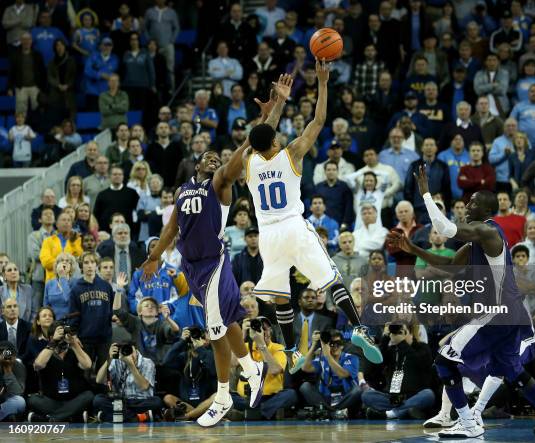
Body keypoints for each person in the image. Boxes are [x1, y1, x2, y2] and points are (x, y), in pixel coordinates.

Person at [141, 78, 294, 428]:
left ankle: (227, 390)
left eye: (217, 158)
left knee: (213, 330)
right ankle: (248, 372)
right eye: (207, 157)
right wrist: (155, 256)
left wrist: (271, 115)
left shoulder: (220, 184)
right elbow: (171, 228)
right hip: (190, 266)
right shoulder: (182, 191)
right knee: (226, 324)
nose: (214, 159)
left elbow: (248, 148)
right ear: (196, 165)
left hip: (213, 263)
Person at [386, 165, 535, 437]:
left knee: (444, 360)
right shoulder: (479, 238)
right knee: (513, 372)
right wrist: (412, 248)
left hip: (496, 314)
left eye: (473, 202)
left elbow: (445, 227)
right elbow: (451, 263)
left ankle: (468, 423)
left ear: (486, 210)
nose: (466, 204)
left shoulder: (488, 232)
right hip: (509, 315)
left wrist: (426, 194)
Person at [244, 62, 381, 369]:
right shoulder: (290, 154)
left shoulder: (249, 162)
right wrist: (322, 83)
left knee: (280, 293)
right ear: (276, 142)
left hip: (268, 235)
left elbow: (261, 134)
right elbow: (318, 121)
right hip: (294, 227)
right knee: (331, 278)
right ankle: (358, 328)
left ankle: (291, 348)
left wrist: (275, 106)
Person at [363, 322, 435, 419]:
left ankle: (390, 414)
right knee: (366, 395)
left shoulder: (422, 348)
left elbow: (417, 362)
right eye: (395, 332)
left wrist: (403, 344)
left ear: (410, 333)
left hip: (414, 395)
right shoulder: (391, 350)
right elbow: (372, 367)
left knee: (428, 394)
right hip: (392, 398)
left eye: (400, 332)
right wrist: (385, 338)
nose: (397, 335)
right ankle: (403, 411)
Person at [232, 316, 298, 419]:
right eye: (259, 329)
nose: (262, 332)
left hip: (270, 398)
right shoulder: (244, 346)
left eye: (265, 329)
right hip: (246, 398)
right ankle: (262, 412)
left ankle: (252, 412)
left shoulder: (279, 348)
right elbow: (232, 363)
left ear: (270, 331)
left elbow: (274, 370)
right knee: (227, 395)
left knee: (291, 394)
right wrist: (242, 335)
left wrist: (261, 344)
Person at [28, 322, 94, 422]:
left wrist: (74, 343)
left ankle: (52, 418)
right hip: (52, 401)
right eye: (60, 338)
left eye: (64, 338)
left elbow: (87, 365)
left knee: (88, 395)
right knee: (33, 400)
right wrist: (54, 341)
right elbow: (38, 365)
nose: (62, 340)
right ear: (50, 338)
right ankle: (71, 416)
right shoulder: (46, 353)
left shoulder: (74, 351)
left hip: (74, 400)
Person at [68, 252, 121, 371]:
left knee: (103, 372)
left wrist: (114, 316)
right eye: (86, 262)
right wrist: (74, 334)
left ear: (96, 265)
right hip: (85, 338)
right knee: (85, 372)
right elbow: (73, 315)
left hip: (104, 337)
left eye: (92, 262)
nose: (90, 265)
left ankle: (103, 390)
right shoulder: (76, 288)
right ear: (81, 266)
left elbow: (113, 309)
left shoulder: (105, 286)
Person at [93, 341, 163, 422]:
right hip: (121, 402)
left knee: (156, 402)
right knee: (98, 399)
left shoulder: (147, 362)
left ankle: (108, 417)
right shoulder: (117, 361)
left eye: (130, 351)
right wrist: (109, 359)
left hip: (141, 402)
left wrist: (131, 365)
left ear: (136, 350)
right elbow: (99, 380)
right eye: (125, 351)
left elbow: (144, 386)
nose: (128, 354)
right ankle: (138, 418)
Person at [299, 329, 362, 418]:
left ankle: (328, 412)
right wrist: (314, 345)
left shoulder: (351, 358)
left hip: (345, 398)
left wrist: (327, 355)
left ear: (342, 346)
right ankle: (334, 413)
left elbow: (343, 374)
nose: (335, 346)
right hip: (326, 398)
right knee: (305, 387)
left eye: (338, 343)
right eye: (332, 343)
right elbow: (305, 367)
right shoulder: (322, 359)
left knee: (358, 390)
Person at [161, 327, 217, 421]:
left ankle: (188, 416)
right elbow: (166, 362)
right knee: (168, 398)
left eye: (201, 337)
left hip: (206, 402)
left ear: (207, 340)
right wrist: (181, 341)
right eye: (195, 338)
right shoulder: (185, 356)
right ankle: (199, 415)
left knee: (216, 396)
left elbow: (212, 369)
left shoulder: (211, 353)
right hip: (187, 404)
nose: (197, 340)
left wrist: (201, 349)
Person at [93, 166, 140, 234]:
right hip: (106, 232)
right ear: (110, 176)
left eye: (120, 174)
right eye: (115, 174)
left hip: (127, 232)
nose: (117, 176)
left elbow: (138, 211)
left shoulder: (132, 193)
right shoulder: (102, 194)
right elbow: (96, 214)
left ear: (123, 176)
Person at [42, 252, 77, 320]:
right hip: (53, 322)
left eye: (67, 261)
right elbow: (46, 307)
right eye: (61, 261)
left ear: (71, 266)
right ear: (56, 265)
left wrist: (63, 278)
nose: (64, 263)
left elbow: (70, 301)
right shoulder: (49, 284)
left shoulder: (76, 283)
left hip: (70, 321)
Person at [0, 341, 26, 421]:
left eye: (10, 354)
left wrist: (7, 369)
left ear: (15, 356)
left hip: (7, 400)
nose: (7, 356)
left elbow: (18, 392)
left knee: (20, 402)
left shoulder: (19, 366)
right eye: (4, 353)